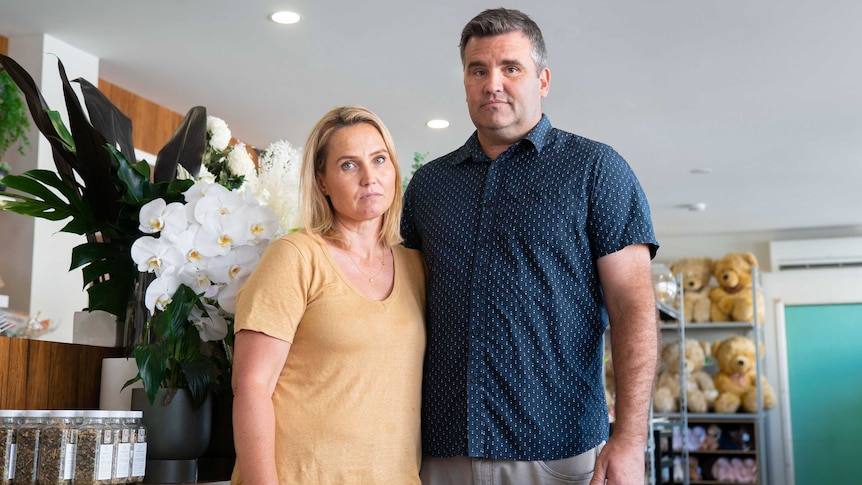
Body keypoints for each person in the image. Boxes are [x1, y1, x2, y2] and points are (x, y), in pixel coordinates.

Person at [402, 8, 659, 485]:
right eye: (478, 70)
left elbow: (635, 310)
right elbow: (405, 310)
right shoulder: (428, 186)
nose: (492, 83)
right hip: (440, 453)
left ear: (542, 80)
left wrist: (628, 439)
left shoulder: (595, 169)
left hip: (557, 454)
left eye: (510, 68)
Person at [231, 105, 426, 484]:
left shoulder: (417, 267)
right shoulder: (296, 255)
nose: (369, 177)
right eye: (348, 165)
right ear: (321, 180)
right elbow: (251, 386)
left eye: (379, 159)